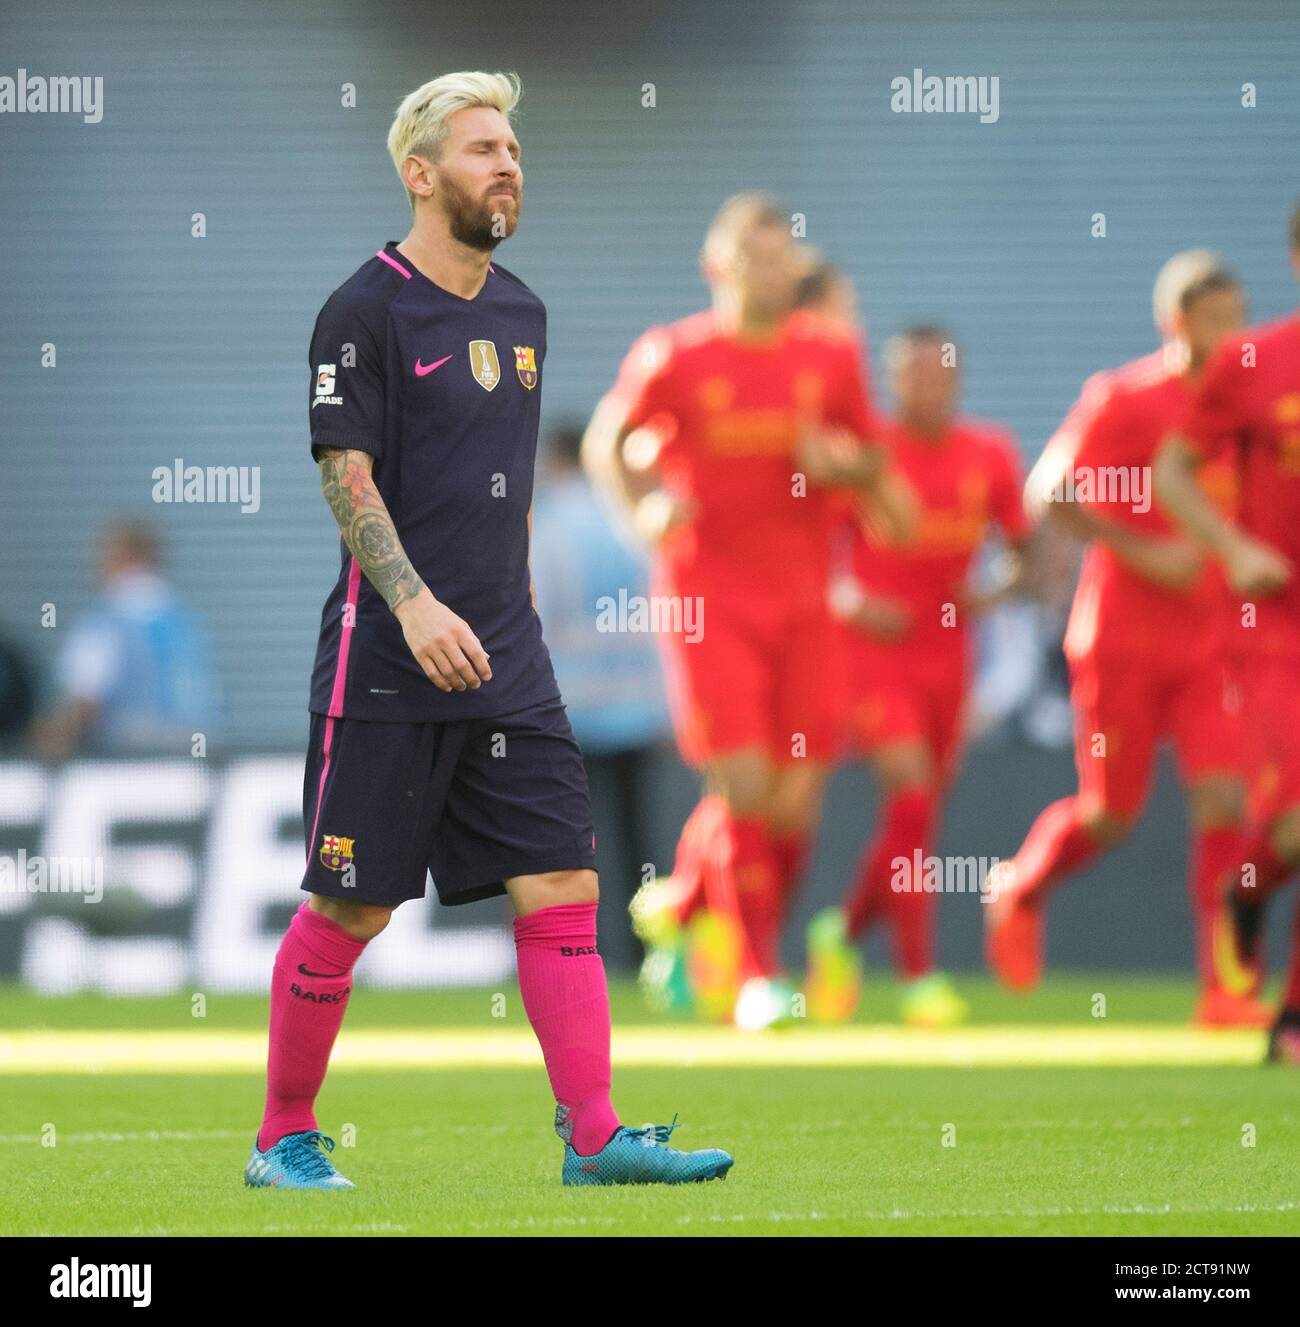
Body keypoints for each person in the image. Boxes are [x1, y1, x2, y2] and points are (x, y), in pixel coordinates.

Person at [246, 70, 733, 1191]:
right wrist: (414, 603)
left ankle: (596, 1135)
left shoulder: (521, 310)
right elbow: (346, 475)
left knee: (562, 884)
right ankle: (282, 1136)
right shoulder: (362, 309)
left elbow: (498, 496)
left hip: (508, 662)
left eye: (511, 147)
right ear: (420, 176)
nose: (506, 165)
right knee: (352, 903)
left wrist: (511, 624)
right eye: (480, 149)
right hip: (387, 654)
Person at [582, 197, 911, 1030]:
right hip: (709, 599)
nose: (772, 271)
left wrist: (845, 462)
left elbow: (874, 451)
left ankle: (692, 908)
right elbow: (609, 438)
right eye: (755, 256)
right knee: (748, 785)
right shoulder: (678, 355)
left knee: (795, 802)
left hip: (805, 603)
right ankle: (760, 972)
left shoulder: (829, 355)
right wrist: (645, 509)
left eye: (783, 257)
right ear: (718, 266)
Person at [986, 250, 1268, 1029]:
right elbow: (1051, 490)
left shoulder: (1249, 402)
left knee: (1226, 802)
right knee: (1113, 814)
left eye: (1238, 315)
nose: (1231, 333)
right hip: (1121, 641)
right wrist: (1145, 551)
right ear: (1175, 322)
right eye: (1215, 318)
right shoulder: (1126, 398)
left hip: (1214, 643)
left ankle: (1226, 988)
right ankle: (1022, 884)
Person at [803, 310, 1032, 1028]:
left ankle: (840, 933)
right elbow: (818, 555)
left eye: (940, 372)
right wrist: (851, 602)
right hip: (875, 652)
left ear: (958, 376)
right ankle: (918, 975)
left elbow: (1024, 547)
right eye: (912, 373)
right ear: (892, 379)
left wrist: (993, 590)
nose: (928, 386)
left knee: (918, 813)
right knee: (908, 791)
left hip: (949, 652)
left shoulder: (990, 452)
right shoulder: (868, 453)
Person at [1153, 205, 1300, 1058]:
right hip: (1276, 621)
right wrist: (1233, 544)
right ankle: (1246, 891)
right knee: (1288, 827)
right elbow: (1172, 472)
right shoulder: (1252, 361)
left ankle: (1291, 1013)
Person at [529, 424, 673, 975]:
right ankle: (645, 951)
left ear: (555, 460)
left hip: (572, 710)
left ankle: (581, 951)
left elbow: (535, 613)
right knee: (639, 838)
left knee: (572, 842)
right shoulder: (631, 522)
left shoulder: (550, 527)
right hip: (638, 706)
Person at [30, 520, 220, 759]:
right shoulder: (183, 622)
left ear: (121, 556)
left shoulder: (106, 622)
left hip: (132, 770)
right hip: (195, 766)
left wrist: (44, 746)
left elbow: (83, 703)